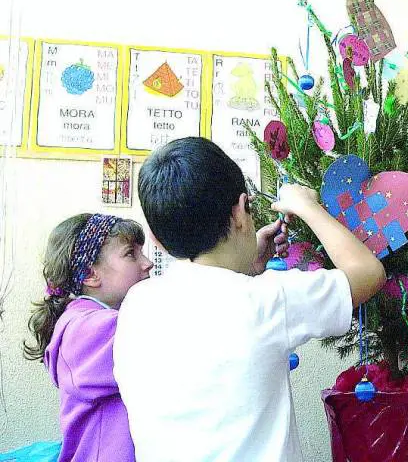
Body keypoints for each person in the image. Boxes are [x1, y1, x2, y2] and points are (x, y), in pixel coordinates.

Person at [114, 137, 386, 461]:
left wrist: (247, 268)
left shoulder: (138, 304)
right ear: (242, 211)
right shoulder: (269, 300)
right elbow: (368, 272)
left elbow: (211, 306)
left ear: (157, 240)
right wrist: (306, 207)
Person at [23, 214, 153, 462]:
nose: (147, 263)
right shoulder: (84, 330)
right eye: (131, 254)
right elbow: (168, 332)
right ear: (90, 274)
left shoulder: (91, 320)